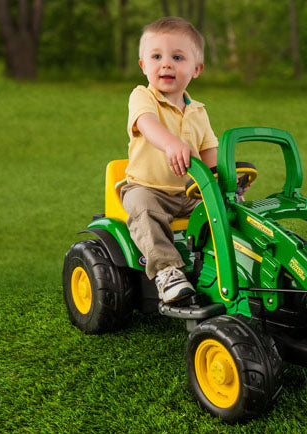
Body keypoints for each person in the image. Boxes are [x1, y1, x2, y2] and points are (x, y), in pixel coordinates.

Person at [121, 17, 217, 303]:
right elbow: (147, 125)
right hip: (147, 188)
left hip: (189, 192)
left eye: (177, 57)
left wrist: (222, 180)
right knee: (143, 208)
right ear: (143, 65)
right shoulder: (143, 97)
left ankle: (224, 264)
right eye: (156, 56)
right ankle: (167, 272)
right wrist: (172, 143)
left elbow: (209, 150)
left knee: (224, 210)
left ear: (196, 69)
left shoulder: (198, 111)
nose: (166, 64)